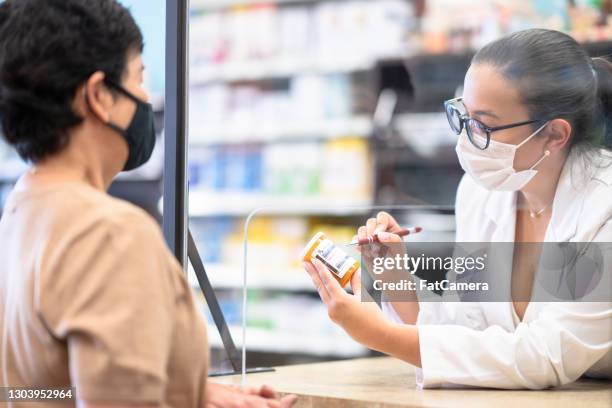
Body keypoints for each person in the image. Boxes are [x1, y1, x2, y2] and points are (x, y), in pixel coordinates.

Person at [0, 1, 297, 407]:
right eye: (140, 78)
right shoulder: (108, 234)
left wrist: (192, 394)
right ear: (100, 95)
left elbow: (34, 390)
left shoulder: (22, 210)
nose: (146, 96)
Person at [303, 28, 612, 389]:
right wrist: (396, 278)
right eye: (463, 117)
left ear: (555, 134)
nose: (466, 139)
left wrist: (381, 336)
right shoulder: (483, 193)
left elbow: (543, 355)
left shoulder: (603, 208)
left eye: (485, 125)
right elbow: (471, 326)